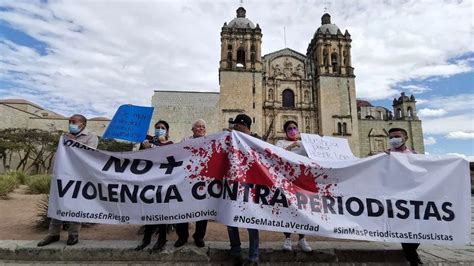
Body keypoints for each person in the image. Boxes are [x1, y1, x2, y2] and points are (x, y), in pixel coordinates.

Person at [38, 114, 98, 247]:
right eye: (70, 121)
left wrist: (74, 142)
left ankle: (73, 235)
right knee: (58, 201)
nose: (71, 124)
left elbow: (90, 154)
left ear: (83, 124)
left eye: (74, 122)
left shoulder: (91, 136)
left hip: (80, 176)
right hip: (63, 174)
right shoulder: (64, 136)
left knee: (75, 204)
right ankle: (53, 234)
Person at [135, 120, 174, 252]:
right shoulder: (148, 142)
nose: (159, 129)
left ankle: (161, 240)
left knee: (162, 213)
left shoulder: (170, 144)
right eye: (157, 127)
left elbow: (167, 158)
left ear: (167, 131)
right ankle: (146, 239)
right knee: (148, 212)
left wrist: (152, 149)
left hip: (163, 183)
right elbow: (139, 160)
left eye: (162, 128)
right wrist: (143, 147)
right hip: (149, 182)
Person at [227, 114, 260, 265]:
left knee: (252, 221)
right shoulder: (229, 139)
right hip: (233, 185)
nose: (235, 129)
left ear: (245, 127)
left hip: (252, 187)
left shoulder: (257, 141)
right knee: (230, 218)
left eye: (238, 127)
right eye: (234, 127)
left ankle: (254, 256)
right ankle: (235, 251)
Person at [386, 127, 422, 266]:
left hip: (414, 196)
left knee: (418, 228)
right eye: (390, 137)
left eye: (396, 136)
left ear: (405, 138)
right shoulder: (386, 156)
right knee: (404, 227)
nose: (393, 140)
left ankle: (411, 253)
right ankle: (412, 258)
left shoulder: (414, 155)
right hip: (396, 198)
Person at [275, 121, 312, 252]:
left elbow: (314, 156)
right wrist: (290, 147)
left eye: (295, 128)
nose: (293, 130)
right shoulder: (280, 143)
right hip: (286, 182)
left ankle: (302, 239)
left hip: (302, 182)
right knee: (287, 209)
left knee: (303, 210)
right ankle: (287, 238)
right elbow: (275, 156)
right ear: (285, 131)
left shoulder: (304, 144)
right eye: (290, 128)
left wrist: (317, 143)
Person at [175, 119, 209, 248]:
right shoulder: (185, 141)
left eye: (203, 127)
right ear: (193, 130)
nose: (200, 129)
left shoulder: (210, 142)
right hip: (186, 181)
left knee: (203, 210)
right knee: (182, 208)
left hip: (203, 182)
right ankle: (182, 236)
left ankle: (199, 237)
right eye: (198, 127)